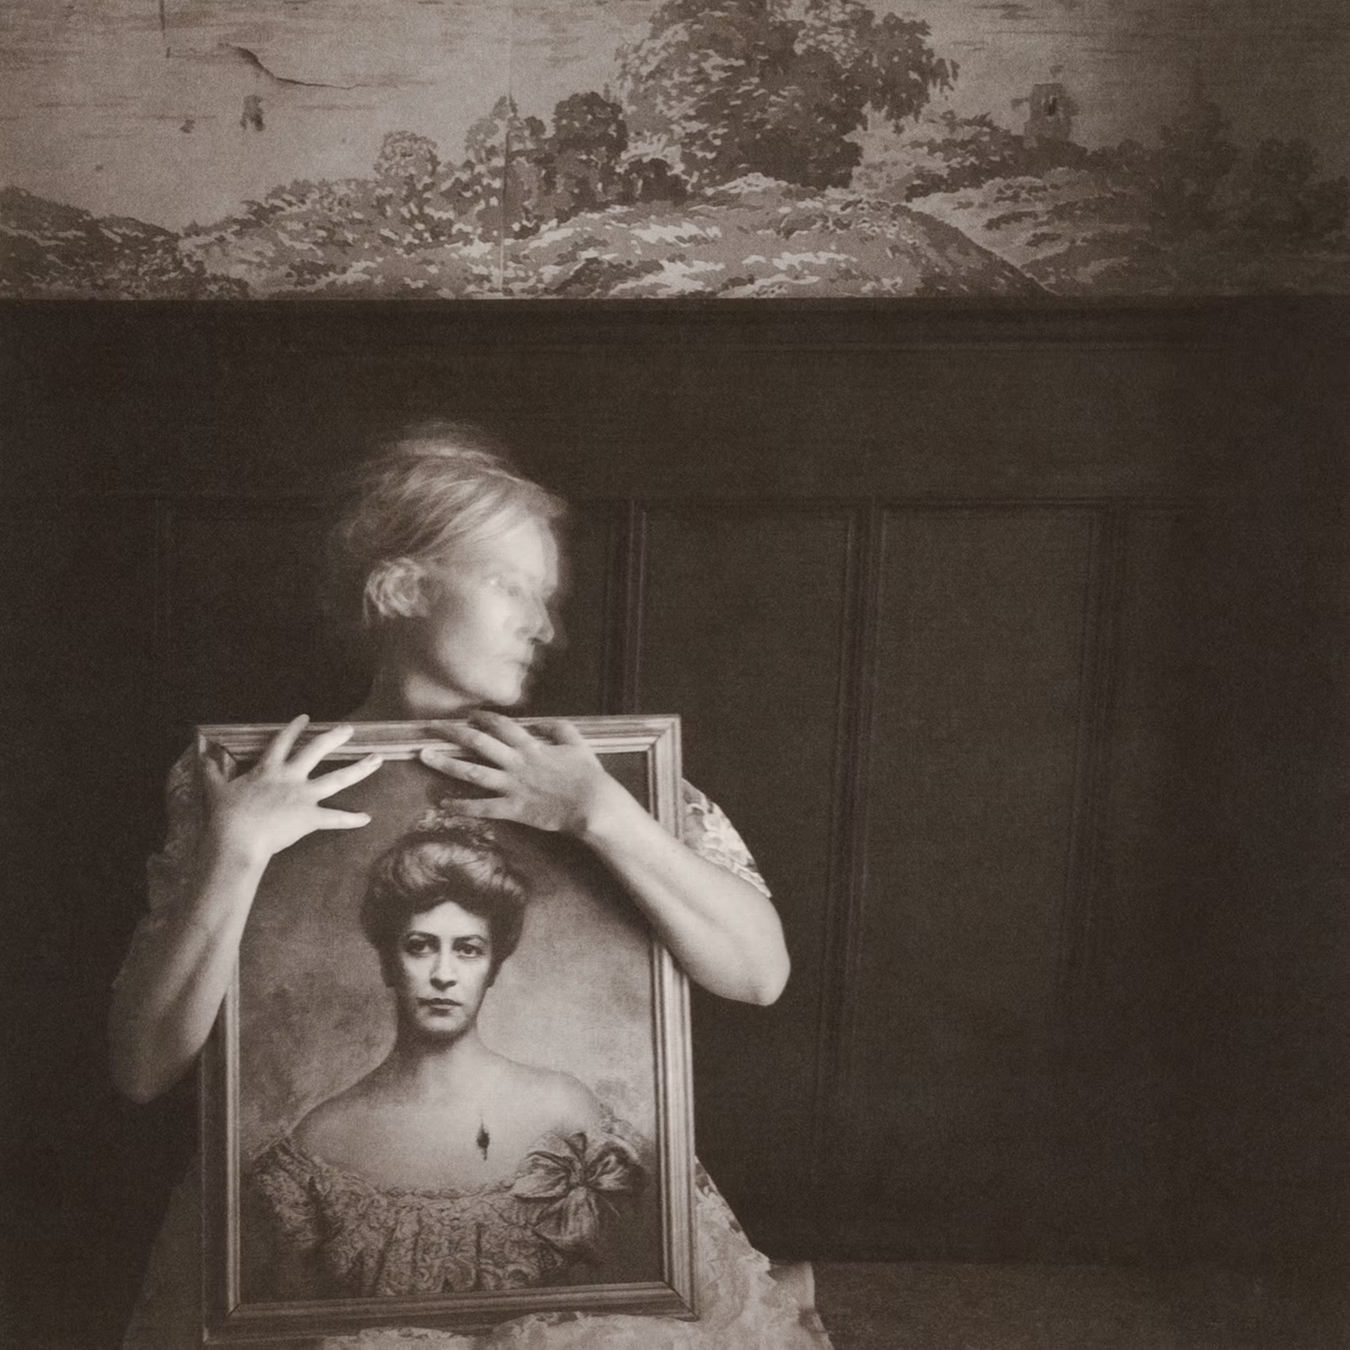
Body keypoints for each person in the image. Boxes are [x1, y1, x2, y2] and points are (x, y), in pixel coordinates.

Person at [109, 421, 831, 1349]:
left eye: (546, 598)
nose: (544, 626)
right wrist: (235, 851)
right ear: (402, 588)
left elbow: (760, 976)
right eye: (510, 586)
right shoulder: (241, 779)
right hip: (303, 1288)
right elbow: (141, 1068)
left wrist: (600, 815)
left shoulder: (594, 769)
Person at [244, 812, 647, 1300]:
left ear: (494, 968)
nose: (443, 974)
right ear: (387, 962)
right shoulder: (321, 1141)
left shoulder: (565, 1109)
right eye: (420, 946)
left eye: (468, 950)